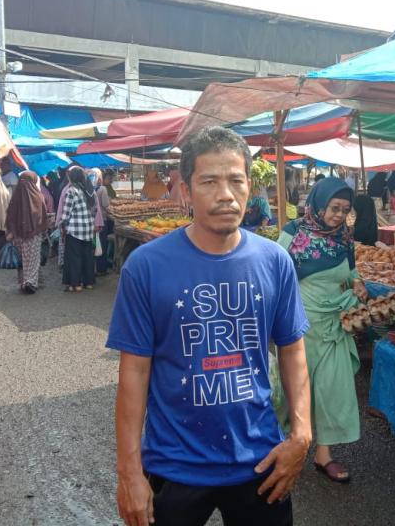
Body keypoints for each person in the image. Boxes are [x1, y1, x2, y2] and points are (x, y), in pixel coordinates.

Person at [107, 126, 311, 526]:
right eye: (209, 181)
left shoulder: (275, 262)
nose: (225, 195)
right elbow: (134, 371)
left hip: (260, 461)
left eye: (236, 180)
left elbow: (292, 349)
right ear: (185, 189)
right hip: (174, 464)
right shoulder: (146, 268)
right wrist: (129, 472)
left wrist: (301, 434)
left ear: (250, 186)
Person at [277, 177, 365, 485]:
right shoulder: (293, 233)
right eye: (334, 208)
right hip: (299, 326)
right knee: (295, 389)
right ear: (319, 204)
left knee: (332, 387)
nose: (339, 215)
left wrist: (358, 284)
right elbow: (274, 275)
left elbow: (351, 271)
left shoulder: (344, 237)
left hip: (334, 323)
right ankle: (289, 444)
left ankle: (323, 454)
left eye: (345, 209)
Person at [6, 171, 49, 294]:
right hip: (34, 234)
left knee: (23, 259)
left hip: (18, 235)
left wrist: (11, 231)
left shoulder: (15, 196)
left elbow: (10, 216)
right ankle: (30, 282)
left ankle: (24, 281)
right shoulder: (38, 195)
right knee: (33, 259)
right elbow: (43, 214)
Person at [60, 166, 98, 292]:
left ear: (72, 177)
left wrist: (62, 226)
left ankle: (75, 284)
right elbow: (94, 210)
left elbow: (66, 213)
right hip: (88, 229)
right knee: (87, 256)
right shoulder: (89, 191)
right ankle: (88, 282)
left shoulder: (71, 191)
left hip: (75, 230)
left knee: (74, 257)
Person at [88, 167, 112, 275]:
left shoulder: (88, 189)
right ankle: (101, 269)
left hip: (90, 220)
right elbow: (106, 205)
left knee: (93, 244)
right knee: (102, 243)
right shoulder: (102, 189)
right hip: (102, 220)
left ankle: (93, 268)